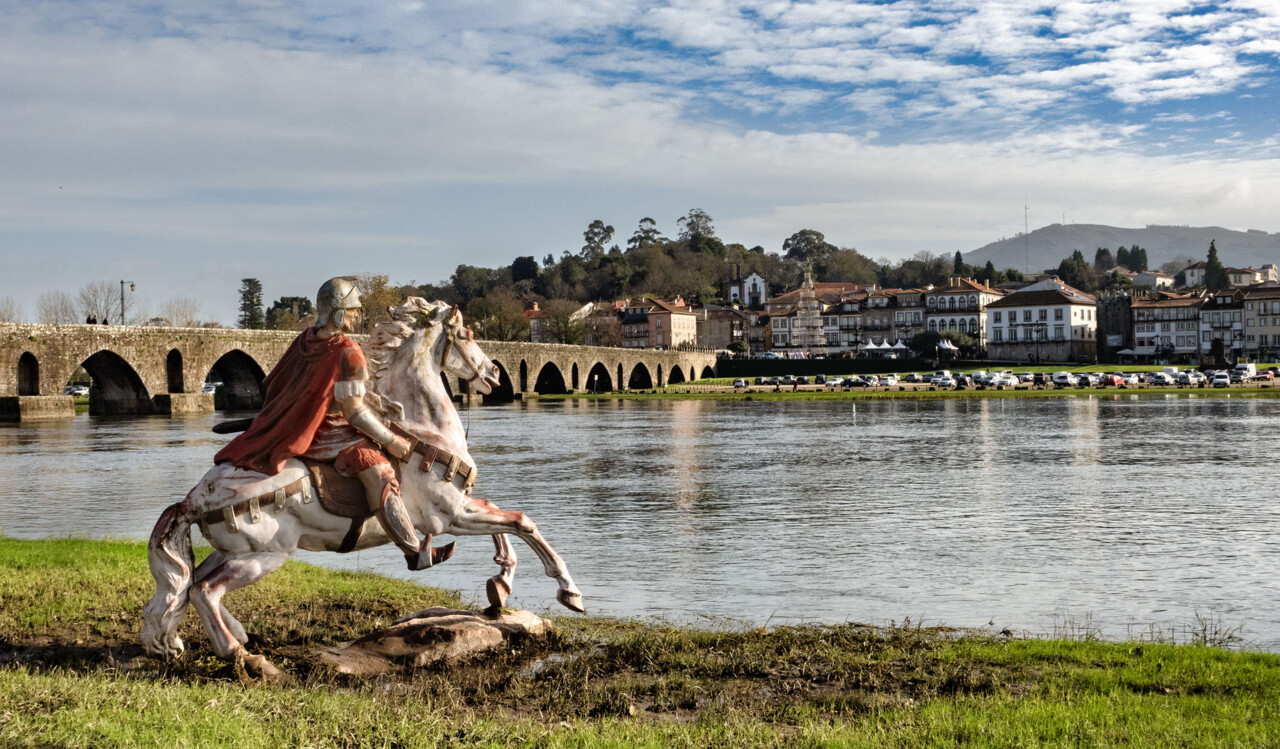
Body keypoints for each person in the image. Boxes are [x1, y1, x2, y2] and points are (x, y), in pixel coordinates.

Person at [214, 276, 445, 571]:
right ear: (338, 312)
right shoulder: (348, 351)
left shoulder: (305, 339)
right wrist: (391, 440)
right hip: (332, 437)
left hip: (304, 427)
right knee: (381, 472)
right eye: (353, 310)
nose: (357, 315)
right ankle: (414, 552)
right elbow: (355, 414)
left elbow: (280, 388)